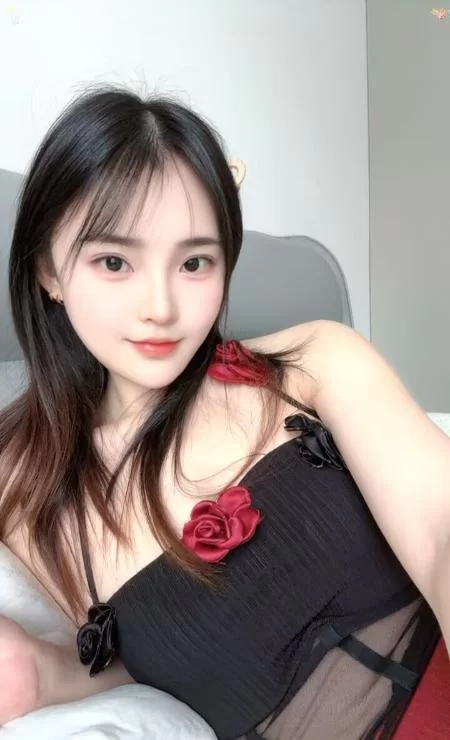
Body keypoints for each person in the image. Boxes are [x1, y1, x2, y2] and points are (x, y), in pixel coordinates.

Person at [0, 86, 448, 740]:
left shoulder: (315, 361)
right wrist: (41, 673)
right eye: (115, 261)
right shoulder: (26, 485)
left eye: (195, 262)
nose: (160, 307)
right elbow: (145, 658)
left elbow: (440, 529)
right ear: (49, 272)